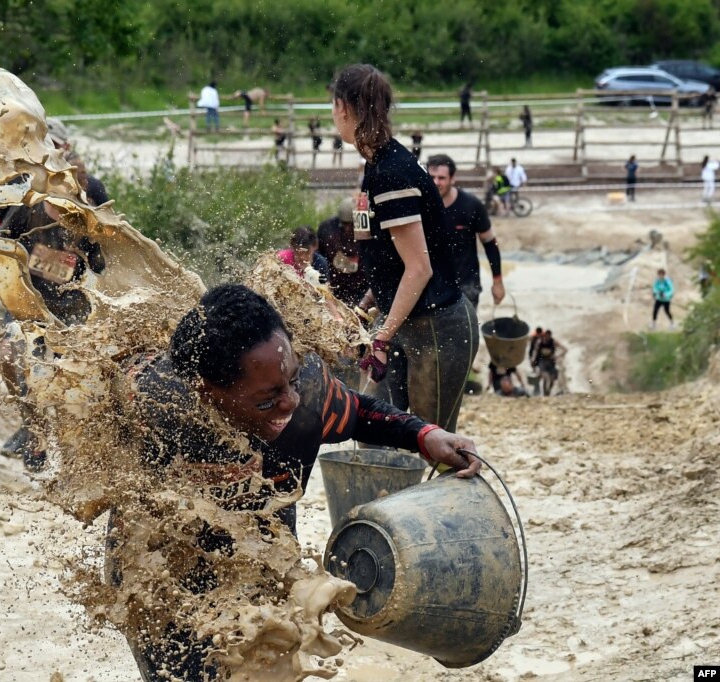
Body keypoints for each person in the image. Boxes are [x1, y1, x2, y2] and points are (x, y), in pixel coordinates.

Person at [116, 284, 483, 680]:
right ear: (208, 394)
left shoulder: (307, 392)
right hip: (167, 577)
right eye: (266, 398)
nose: (288, 402)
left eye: (289, 381)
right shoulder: (160, 407)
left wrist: (424, 435)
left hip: (265, 557)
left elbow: (357, 411)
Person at [0, 119, 107, 469]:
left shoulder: (89, 191)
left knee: (67, 373)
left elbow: (113, 251)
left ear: (64, 152)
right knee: (10, 353)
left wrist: (84, 256)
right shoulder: (17, 190)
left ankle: (75, 442)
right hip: (28, 293)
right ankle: (33, 429)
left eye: (49, 151)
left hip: (76, 297)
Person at [332, 64, 479, 434]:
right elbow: (391, 263)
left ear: (343, 108)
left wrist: (380, 337)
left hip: (436, 326)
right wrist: (366, 306)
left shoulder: (392, 173)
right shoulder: (375, 165)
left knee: (434, 444)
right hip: (401, 321)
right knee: (375, 434)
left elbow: (418, 269)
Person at [427, 154, 505, 308]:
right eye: (432, 177)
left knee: (466, 331)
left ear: (452, 179)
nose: (436, 182)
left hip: (466, 285)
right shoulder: (420, 206)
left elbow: (490, 243)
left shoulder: (471, 205)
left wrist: (498, 281)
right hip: (431, 286)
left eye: (441, 178)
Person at [316, 197, 370, 309]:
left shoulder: (366, 230)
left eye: (351, 225)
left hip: (361, 286)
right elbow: (318, 257)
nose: (347, 229)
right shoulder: (327, 229)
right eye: (344, 224)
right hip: (335, 284)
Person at [534, 329, 566, 396]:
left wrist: (557, 356)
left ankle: (548, 391)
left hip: (551, 362)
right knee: (545, 376)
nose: (546, 338)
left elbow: (564, 349)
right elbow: (536, 351)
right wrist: (534, 360)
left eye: (548, 336)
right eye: (546, 336)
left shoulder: (553, 342)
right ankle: (544, 393)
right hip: (542, 361)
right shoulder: (540, 342)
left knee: (552, 378)